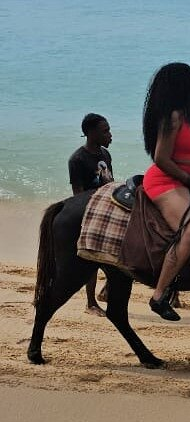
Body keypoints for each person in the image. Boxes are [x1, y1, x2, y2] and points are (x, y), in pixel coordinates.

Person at [142, 62, 190, 321]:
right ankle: (159, 295)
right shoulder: (173, 117)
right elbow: (161, 158)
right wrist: (189, 180)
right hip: (166, 181)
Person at [68, 113, 114, 317]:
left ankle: (107, 290)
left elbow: (110, 181)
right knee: (92, 260)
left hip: (107, 209)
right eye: (105, 131)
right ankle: (90, 303)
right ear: (91, 133)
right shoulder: (78, 159)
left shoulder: (105, 154)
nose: (110, 135)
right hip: (91, 212)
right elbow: (77, 193)